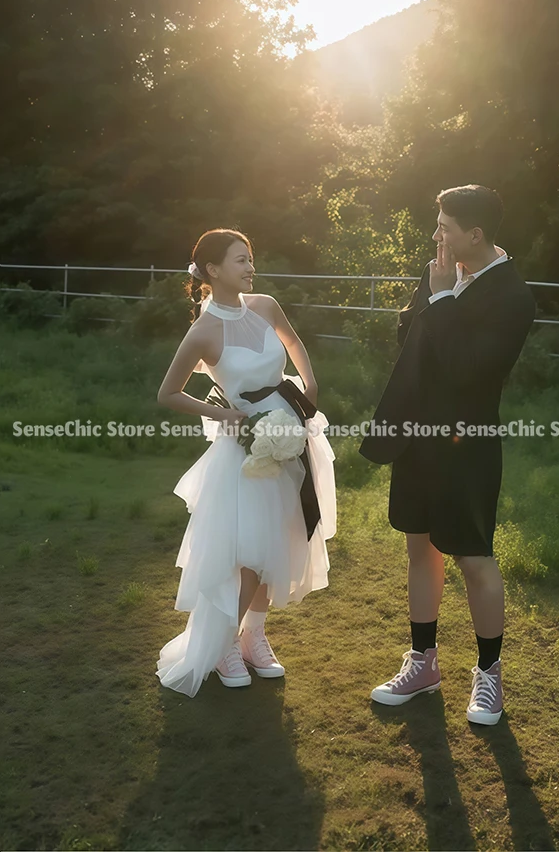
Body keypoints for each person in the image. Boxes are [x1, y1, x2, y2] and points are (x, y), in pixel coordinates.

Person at [359, 185, 535, 725]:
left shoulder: (514, 297)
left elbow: (469, 370)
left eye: (444, 227)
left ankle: (489, 676)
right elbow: (406, 335)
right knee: (420, 550)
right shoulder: (439, 270)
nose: (435, 235)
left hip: (468, 444)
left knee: (474, 557)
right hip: (419, 437)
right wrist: (431, 302)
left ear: (475, 234)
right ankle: (423, 664)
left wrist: (440, 301)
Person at [155, 228, 337, 698]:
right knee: (246, 557)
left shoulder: (266, 305)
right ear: (213, 270)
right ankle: (220, 647)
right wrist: (223, 414)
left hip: (288, 438)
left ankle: (253, 637)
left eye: (250, 258)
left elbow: (295, 347)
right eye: (240, 260)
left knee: (276, 545)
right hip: (244, 454)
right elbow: (168, 393)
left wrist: (309, 389)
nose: (250, 266)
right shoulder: (204, 330)